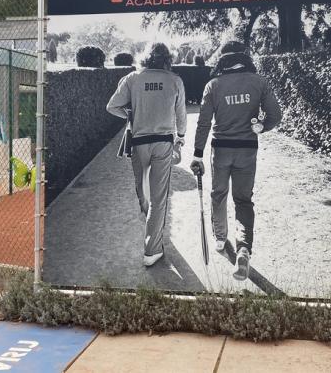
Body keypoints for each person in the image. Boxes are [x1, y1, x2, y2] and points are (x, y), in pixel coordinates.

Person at [190, 41, 282, 281]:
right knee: (243, 200)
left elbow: (203, 123)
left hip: (221, 150)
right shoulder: (259, 82)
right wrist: (263, 126)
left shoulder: (213, 85)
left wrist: (197, 154)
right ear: (244, 57)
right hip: (247, 150)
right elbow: (276, 115)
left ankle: (220, 239)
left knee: (218, 194)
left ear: (223, 59)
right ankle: (243, 248)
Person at [107, 43, 187, 267]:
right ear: (167, 58)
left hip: (139, 143)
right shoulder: (175, 80)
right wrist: (181, 137)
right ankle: (152, 250)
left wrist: (131, 114)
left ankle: (152, 228)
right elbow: (181, 114)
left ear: (146, 57)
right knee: (158, 199)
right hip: (163, 143)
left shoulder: (132, 78)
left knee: (143, 191)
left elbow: (112, 106)